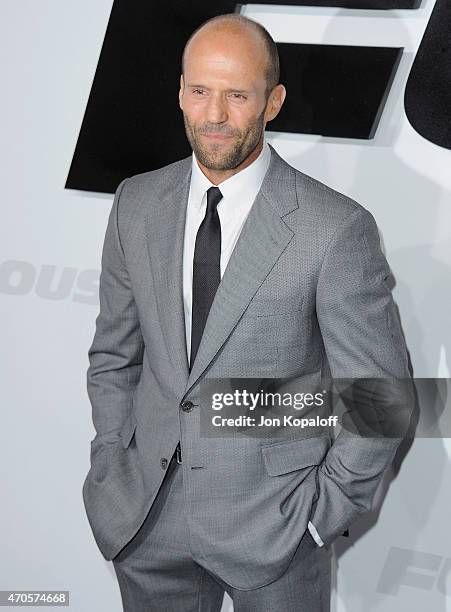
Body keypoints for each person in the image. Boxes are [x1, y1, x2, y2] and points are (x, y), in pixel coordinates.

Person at [82, 13, 412, 612]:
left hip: (275, 528)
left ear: (273, 100)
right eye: (200, 90)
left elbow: (379, 396)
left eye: (237, 94)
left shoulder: (334, 228)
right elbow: (114, 353)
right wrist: (110, 458)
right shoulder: (136, 202)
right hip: (145, 519)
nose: (214, 115)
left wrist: (319, 515)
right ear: (180, 91)